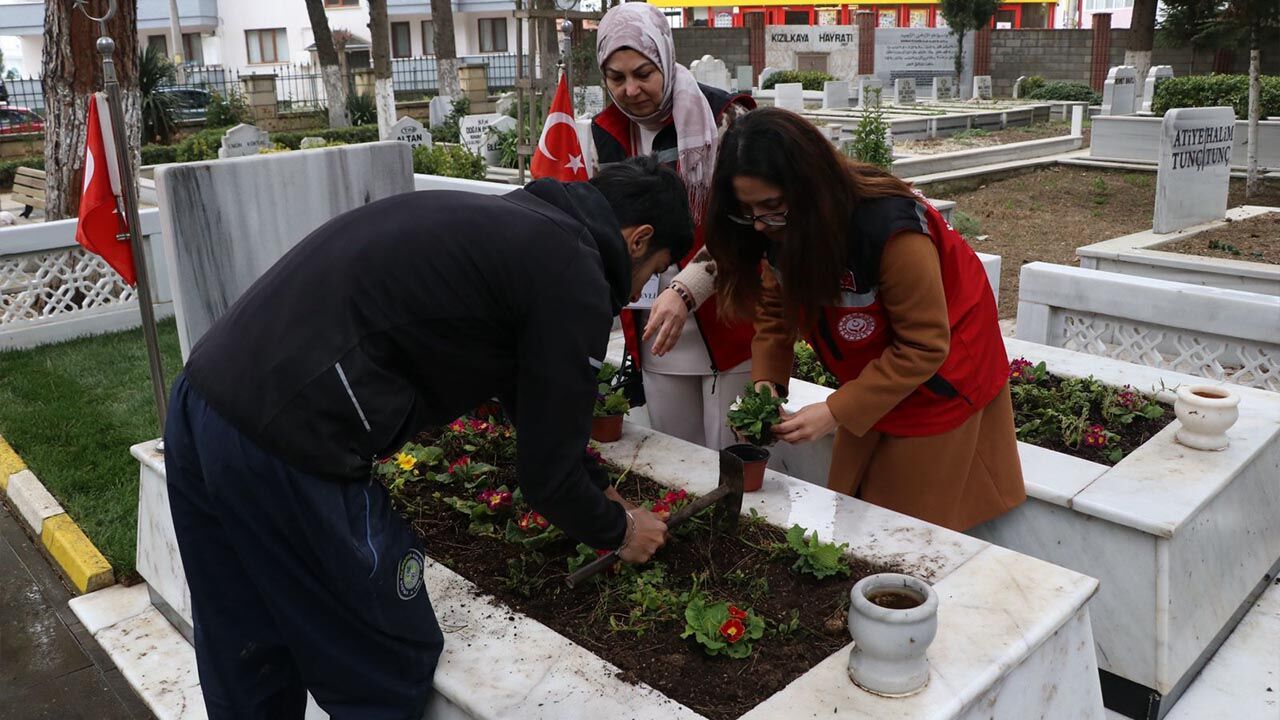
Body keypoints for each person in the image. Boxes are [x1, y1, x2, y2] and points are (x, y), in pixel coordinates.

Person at [162, 157, 687, 719]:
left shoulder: (521, 225)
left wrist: (597, 488)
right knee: (385, 653)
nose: (644, 288)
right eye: (655, 272)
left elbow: (532, 407)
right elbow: (545, 480)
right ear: (639, 240)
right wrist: (621, 530)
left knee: (247, 643)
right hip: (295, 434)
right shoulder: (574, 271)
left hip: (203, 400)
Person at [704, 108, 1026, 532]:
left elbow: (924, 345)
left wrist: (835, 411)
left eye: (772, 207)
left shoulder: (891, 231)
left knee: (901, 531)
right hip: (877, 377)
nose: (761, 226)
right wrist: (767, 384)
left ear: (810, 187)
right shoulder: (783, 230)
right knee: (853, 503)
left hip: (940, 382)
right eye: (748, 212)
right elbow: (774, 317)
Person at [591, 2, 757, 451]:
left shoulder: (723, 117)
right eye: (616, 78)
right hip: (652, 327)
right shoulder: (605, 131)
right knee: (677, 461)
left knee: (733, 461)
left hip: (724, 313)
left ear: (664, 56)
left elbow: (746, 226)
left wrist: (685, 290)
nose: (630, 90)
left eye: (643, 73)